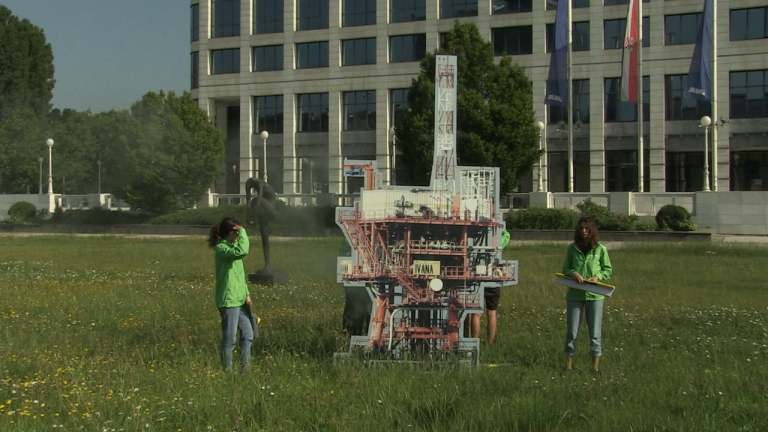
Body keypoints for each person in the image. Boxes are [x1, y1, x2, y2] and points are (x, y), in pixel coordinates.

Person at [561, 217, 612, 372]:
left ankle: (594, 367)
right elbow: (565, 269)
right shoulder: (572, 248)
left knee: (595, 332)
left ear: (592, 230)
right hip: (575, 296)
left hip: (595, 296)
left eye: (587, 228)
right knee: (572, 331)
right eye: (581, 228)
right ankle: (569, 366)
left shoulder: (600, 249)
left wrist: (598, 277)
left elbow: (607, 269)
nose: (584, 231)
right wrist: (573, 273)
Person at [208, 217, 255, 371]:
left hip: (240, 299)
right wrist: (243, 231)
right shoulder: (222, 249)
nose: (238, 236)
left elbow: (239, 275)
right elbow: (242, 251)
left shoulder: (231, 248)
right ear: (230, 232)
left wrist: (246, 293)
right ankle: (227, 370)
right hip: (229, 301)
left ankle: (245, 368)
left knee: (248, 334)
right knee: (230, 339)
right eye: (236, 232)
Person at [471, 229, 511, 345]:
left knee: (475, 312)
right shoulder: (498, 242)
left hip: (476, 277)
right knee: (492, 313)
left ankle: (474, 340)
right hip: (492, 277)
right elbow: (507, 234)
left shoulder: (474, 240)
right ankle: (490, 342)